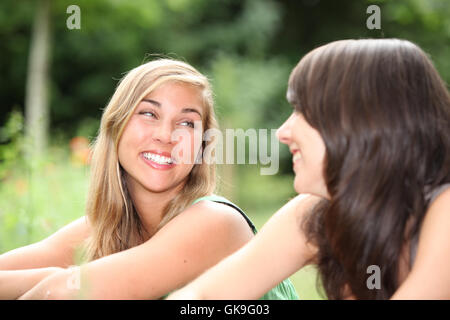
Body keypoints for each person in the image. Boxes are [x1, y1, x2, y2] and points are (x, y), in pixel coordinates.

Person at [167, 39, 450, 300]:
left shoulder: (443, 209)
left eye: (303, 111)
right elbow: (203, 297)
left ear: (360, 122)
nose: (283, 131)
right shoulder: (316, 212)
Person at [0, 58, 298, 300]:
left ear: (202, 145)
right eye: (149, 114)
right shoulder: (105, 229)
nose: (166, 136)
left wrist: (58, 280)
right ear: (116, 126)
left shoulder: (217, 221)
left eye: (186, 123)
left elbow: (68, 291)